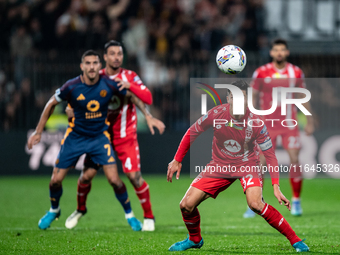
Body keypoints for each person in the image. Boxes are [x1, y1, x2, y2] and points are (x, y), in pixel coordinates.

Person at [166, 80, 309, 252]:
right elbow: (192, 132)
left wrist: (276, 186)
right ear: (228, 98)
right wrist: (177, 159)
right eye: (235, 96)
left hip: (247, 165)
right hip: (219, 165)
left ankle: (295, 240)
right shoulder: (216, 114)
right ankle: (195, 239)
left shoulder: (256, 122)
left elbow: (270, 155)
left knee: (255, 204)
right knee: (186, 205)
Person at [27, 50, 137, 230]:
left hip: (99, 138)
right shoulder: (71, 86)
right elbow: (50, 104)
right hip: (75, 137)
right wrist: (38, 132)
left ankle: (130, 215)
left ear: (100, 66)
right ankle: (54, 209)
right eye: (88, 63)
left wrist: (146, 115)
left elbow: (130, 96)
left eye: (95, 63)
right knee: (55, 181)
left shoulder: (109, 84)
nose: (92, 67)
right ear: (82, 66)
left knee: (115, 180)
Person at [65, 40, 165, 232]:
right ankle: (80, 209)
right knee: (86, 177)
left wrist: (147, 114)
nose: (116, 57)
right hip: (100, 135)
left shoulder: (129, 76)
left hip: (125, 135)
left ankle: (149, 216)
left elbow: (146, 97)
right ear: (105, 57)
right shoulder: (98, 76)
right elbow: (79, 93)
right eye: (112, 54)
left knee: (134, 177)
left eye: (119, 54)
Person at [243, 38, 315, 218]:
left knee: (294, 158)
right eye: (276, 50)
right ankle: (256, 202)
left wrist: (309, 119)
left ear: (287, 52)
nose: (279, 52)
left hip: (288, 122)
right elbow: (253, 97)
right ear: (271, 53)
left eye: (282, 49)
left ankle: (296, 200)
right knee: (260, 163)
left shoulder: (296, 72)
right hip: (266, 124)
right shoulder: (261, 72)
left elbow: (302, 96)